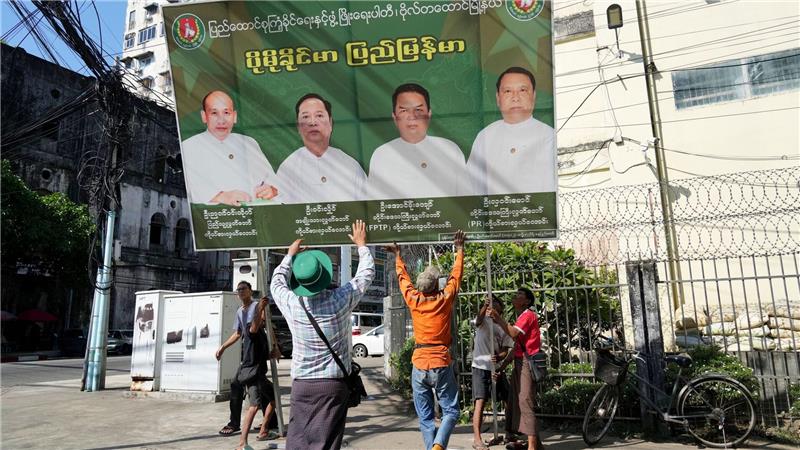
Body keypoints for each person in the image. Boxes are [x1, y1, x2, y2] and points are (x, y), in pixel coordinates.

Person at [270, 220, 374, 450]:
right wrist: (361, 245)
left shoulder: (292, 304)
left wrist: (289, 256)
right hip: (332, 385)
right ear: (325, 276)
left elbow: (276, 283)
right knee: (326, 442)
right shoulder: (340, 300)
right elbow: (365, 275)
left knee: (297, 441)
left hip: (302, 386)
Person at [384, 230, 466, 450]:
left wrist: (398, 256)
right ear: (437, 285)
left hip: (419, 363)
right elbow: (455, 277)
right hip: (440, 360)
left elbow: (403, 279)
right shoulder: (445, 299)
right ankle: (439, 444)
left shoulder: (414, 299)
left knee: (426, 417)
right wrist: (459, 250)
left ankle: (433, 447)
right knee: (451, 411)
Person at [367, 83, 467, 199]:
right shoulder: (381, 155)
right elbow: (373, 205)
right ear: (394, 116)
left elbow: (467, 200)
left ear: (429, 114)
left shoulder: (450, 150)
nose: (412, 116)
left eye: (418, 109)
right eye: (404, 111)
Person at [466, 67, 556, 196]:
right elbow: (471, 186)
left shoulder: (549, 136)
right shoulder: (486, 136)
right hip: (496, 213)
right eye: (508, 91)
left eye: (523, 90)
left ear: (534, 95)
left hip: (534, 213)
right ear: (498, 98)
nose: (515, 98)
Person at [181, 90, 280, 206]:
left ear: (234, 116)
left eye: (226, 113)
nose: (221, 120)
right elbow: (185, 188)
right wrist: (220, 196)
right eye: (214, 113)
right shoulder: (188, 147)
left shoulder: (249, 143)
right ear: (204, 116)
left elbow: (272, 180)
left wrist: (272, 190)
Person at [215, 281, 281, 440]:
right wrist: (223, 347)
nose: (240, 292)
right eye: (238, 290)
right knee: (258, 386)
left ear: (250, 291)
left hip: (258, 350)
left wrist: (275, 347)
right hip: (249, 353)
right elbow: (238, 333)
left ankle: (239, 424)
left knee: (250, 386)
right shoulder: (240, 311)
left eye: (243, 289)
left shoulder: (258, 305)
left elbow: (265, 326)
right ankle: (267, 423)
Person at [276, 94, 367, 204]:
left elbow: (367, 209)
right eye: (305, 117)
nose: (312, 122)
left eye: (319, 115)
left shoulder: (351, 166)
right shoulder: (288, 168)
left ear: (331, 123)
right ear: (298, 127)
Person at [487, 287, 544, 450]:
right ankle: (534, 443)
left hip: (527, 362)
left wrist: (498, 318)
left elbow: (512, 333)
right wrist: (502, 365)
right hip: (520, 361)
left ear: (526, 301)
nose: (516, 296)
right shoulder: (522, 316)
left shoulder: (527, 315)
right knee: (515, 401)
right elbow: (516, 348)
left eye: (520, 294)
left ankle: (532, 446)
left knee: (525, 401)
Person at [472, 295, 515, 450]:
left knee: (508, 399)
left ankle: (510, 432)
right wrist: (484, 307)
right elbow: (477, 319)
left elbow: (505, 350)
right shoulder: (483, 321)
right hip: (480, 366)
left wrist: (498, 357)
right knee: (480, 402)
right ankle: (477, 439)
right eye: (491, 303)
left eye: (495, 303)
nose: (492, 305)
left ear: (500, 309)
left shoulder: (502, 327)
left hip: (496, 368)